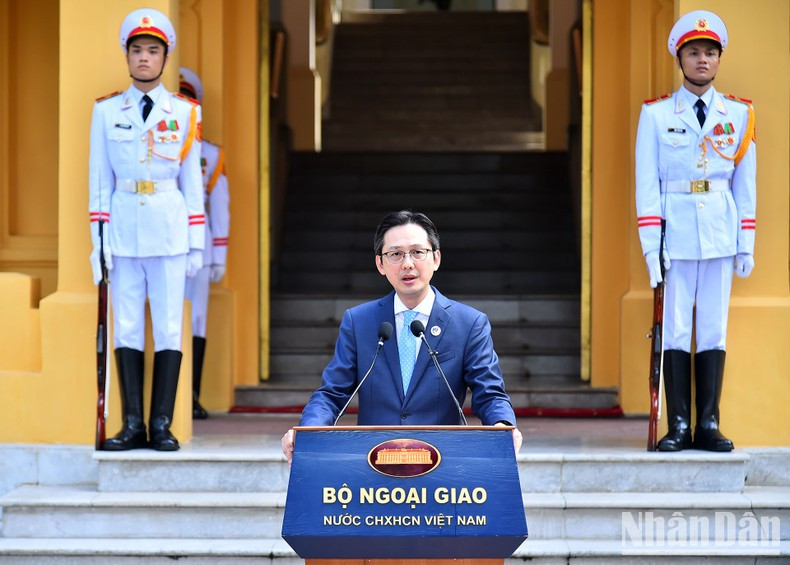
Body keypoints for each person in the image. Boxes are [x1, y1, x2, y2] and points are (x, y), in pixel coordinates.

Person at [281, 211, 522, 462]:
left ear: (436, 258)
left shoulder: (469, 323)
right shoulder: (359, 321)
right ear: (380, 264)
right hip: (373, 462)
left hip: (443, 462)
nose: (407, 264)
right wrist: (307, 431)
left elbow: (490, 392)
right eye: (395, 254)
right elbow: (332, 393)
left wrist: (503, 425)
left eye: (417, 252)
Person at [635, 10, 756, 452]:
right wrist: (651, 250)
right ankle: (679, 425)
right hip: (677, 237)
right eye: (693, 52)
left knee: (713, 330)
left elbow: (746, 185)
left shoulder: (739, 114)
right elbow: (646, 187)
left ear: (719, 59)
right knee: (676, 330)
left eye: (710, 52)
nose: (702, 59)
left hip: (721, 234)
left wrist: (746, 243)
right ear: (680, 59)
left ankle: (708, 424)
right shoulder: (656, 115)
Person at [88, 8, 205, 451]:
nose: (143, 57)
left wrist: (196, 243)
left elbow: (193, 184)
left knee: (170, 328)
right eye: (136, 49)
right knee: (126, 328)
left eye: (152, 50)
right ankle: (132, 423)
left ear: (164, 57)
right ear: (126, 55)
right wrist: (98, 244)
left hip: (170, 233)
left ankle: (162, 424)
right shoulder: (105, 112)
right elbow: (99, 182)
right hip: (122, 234)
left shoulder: (185, 111)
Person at [179, 67, 231, 420]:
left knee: (196, 319)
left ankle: (192, 394)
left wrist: (220, 255)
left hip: (202, 246)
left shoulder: (210, 154)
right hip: (162, 241)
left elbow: (221, 207)